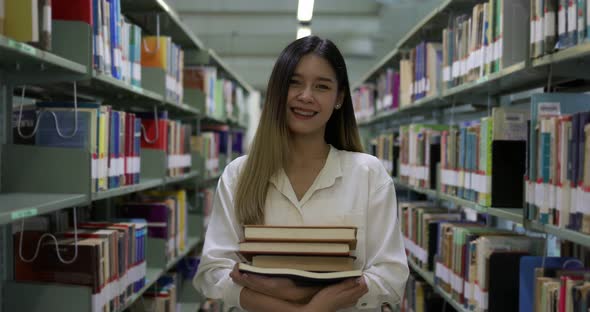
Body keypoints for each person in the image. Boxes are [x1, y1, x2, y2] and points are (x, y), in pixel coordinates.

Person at [193, 35, 409, 312]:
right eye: (294, 82)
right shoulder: (238, 175)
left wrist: (299, 297)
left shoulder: (369, 174)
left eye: (321, 86)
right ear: (277, 91)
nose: (306, 96)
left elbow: (391, 276)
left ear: (339, 97)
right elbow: (213, 272)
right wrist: (299, 307)